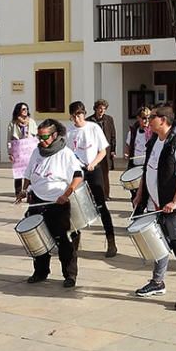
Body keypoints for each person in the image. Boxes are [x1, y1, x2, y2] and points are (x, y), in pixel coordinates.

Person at [133, 106, 176, 310]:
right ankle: (157, 281)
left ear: (162, 120)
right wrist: (140, 194)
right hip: (156, 203)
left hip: (175, 206)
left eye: (151, 117)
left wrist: (175, 202)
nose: (147, 120)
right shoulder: (154, 141)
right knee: (158, 242)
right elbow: (147, 170)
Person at [16, 119, 83, 287]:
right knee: (38, 239)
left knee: (64, 241)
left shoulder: (65, 153)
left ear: (54, 135)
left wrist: (66, 195)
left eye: (44, 136)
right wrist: (24, 190)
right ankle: (40, 272)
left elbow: (77, 176)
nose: (41, 140)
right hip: (38, 201)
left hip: (58, 203)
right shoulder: (36, 152)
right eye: (38, 136)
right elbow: (28, 174)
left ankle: (70, 275)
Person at [67, 100, 118, 257]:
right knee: (74, 206)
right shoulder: (69, 131)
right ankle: (75, 241)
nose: (77, 119)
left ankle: (111, 242)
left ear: (84, 113)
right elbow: (68, 153)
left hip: (93, 169)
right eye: (74, 116)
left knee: (101, 204)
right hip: (77, 172)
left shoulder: (93, 128)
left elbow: (102, 151)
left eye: (79, 115)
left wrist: (93, 163)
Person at [7, 102, 37, 197]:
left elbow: (36, 136)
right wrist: (10, 153)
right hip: (18, 152)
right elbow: (9, 139)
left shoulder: (31, 122)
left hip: (29, 151)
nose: (25, 111)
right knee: (18, 175)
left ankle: (29, 194)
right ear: (18, 110)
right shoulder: (13, 123)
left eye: (26, 109)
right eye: (23, 109)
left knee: (30, 174)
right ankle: (18, 194)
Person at [88, 99, 117, 198]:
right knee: (95, 173)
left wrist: (113, 149)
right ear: (96, 109)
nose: (102, 111)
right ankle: (94, 194)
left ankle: (106, 194)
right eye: (100, 108)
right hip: (93, 151)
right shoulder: (89, 120)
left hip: (106, 150)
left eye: (104, 109)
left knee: (105, 173)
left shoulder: (109, 119)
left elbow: (113, 135)